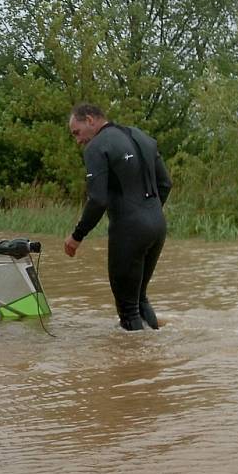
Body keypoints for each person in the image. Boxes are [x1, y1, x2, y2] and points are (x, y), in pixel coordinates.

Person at [64, 103, 172, 330]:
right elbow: (165, 183)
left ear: (90, 120)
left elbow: (97, 200)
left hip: (129, 230)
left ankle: (137, 363)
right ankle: (155, 356)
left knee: (128, 309)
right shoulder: (142, 137)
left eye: (77, 132)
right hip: (157, 226)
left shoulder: (97, 147)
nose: (78, 140)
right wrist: (148, 214)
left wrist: (77, 236)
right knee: (139, 298)